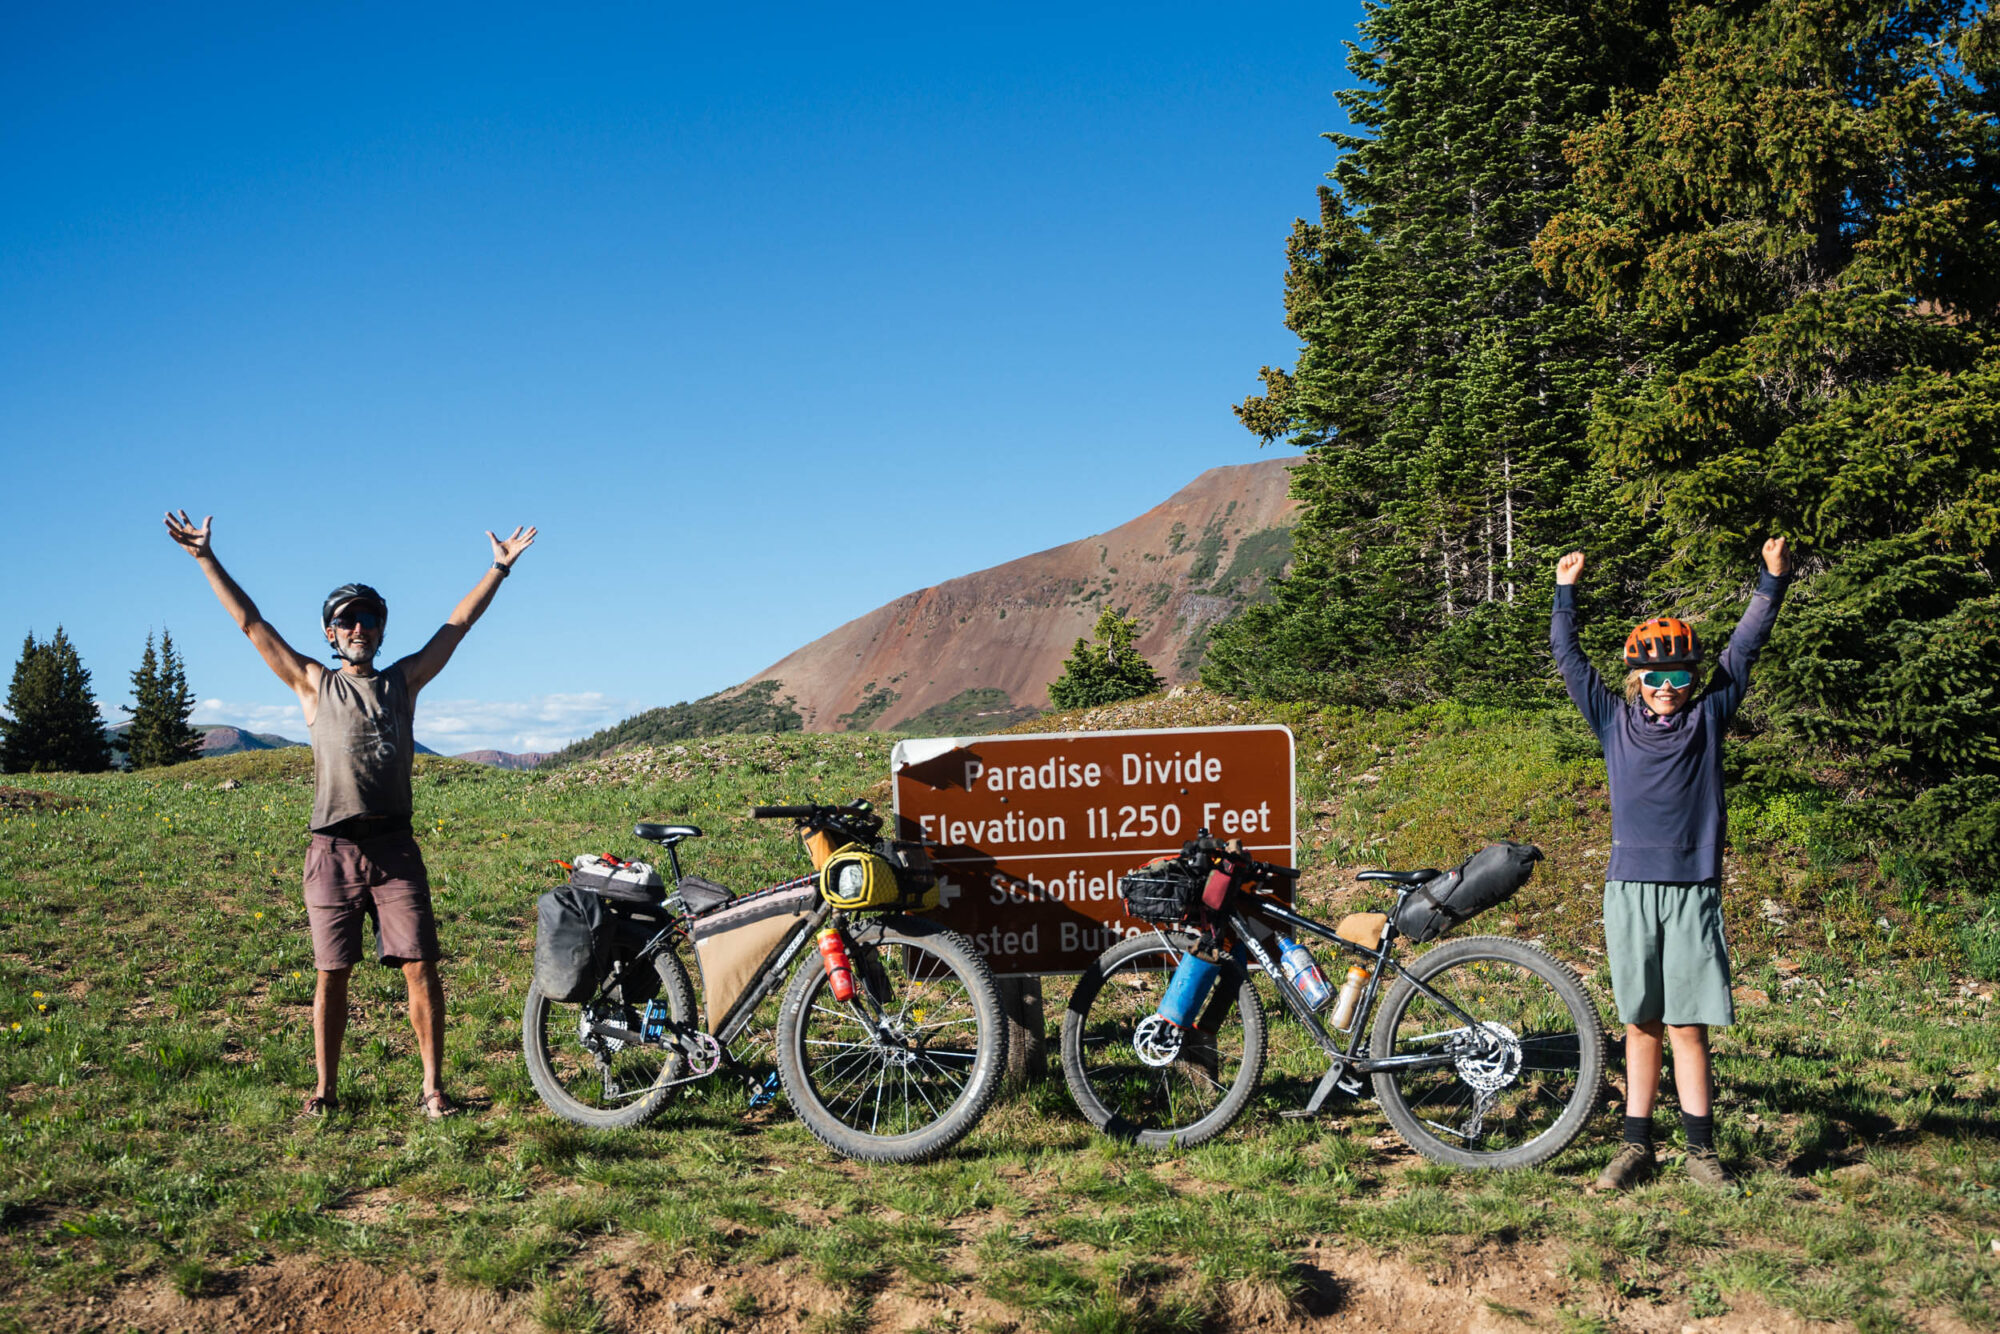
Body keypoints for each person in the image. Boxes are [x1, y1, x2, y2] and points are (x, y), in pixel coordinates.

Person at [164, 510, 536, 1119]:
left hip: (395, 848)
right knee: (330, 974)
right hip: (331, 851)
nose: (358, 626)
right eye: (346, 620)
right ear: (331, 635)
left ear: (381, 631)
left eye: (369, 618)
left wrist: (497, 568)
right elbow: (251, 623)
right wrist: (206, 557)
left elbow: (457, 625)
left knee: (421, 966)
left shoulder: (404, 682)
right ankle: (325, 1091)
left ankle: (433, 1089)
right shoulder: (312, 684)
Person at [1550, 537, 1791, 1190]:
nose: (1665, 688)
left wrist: (1770, 583)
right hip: (1628, 889)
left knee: (1686, 1024)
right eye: (1653, 678)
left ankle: (1701, 1152)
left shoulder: (1709, 717)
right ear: (1636, 681)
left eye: (1678, 677)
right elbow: (1569, 661)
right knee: (1640, 1022)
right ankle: (1635, 1146)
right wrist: (1565, 592)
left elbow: (1742, 653)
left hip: (1691, 890)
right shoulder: (1612, 721)